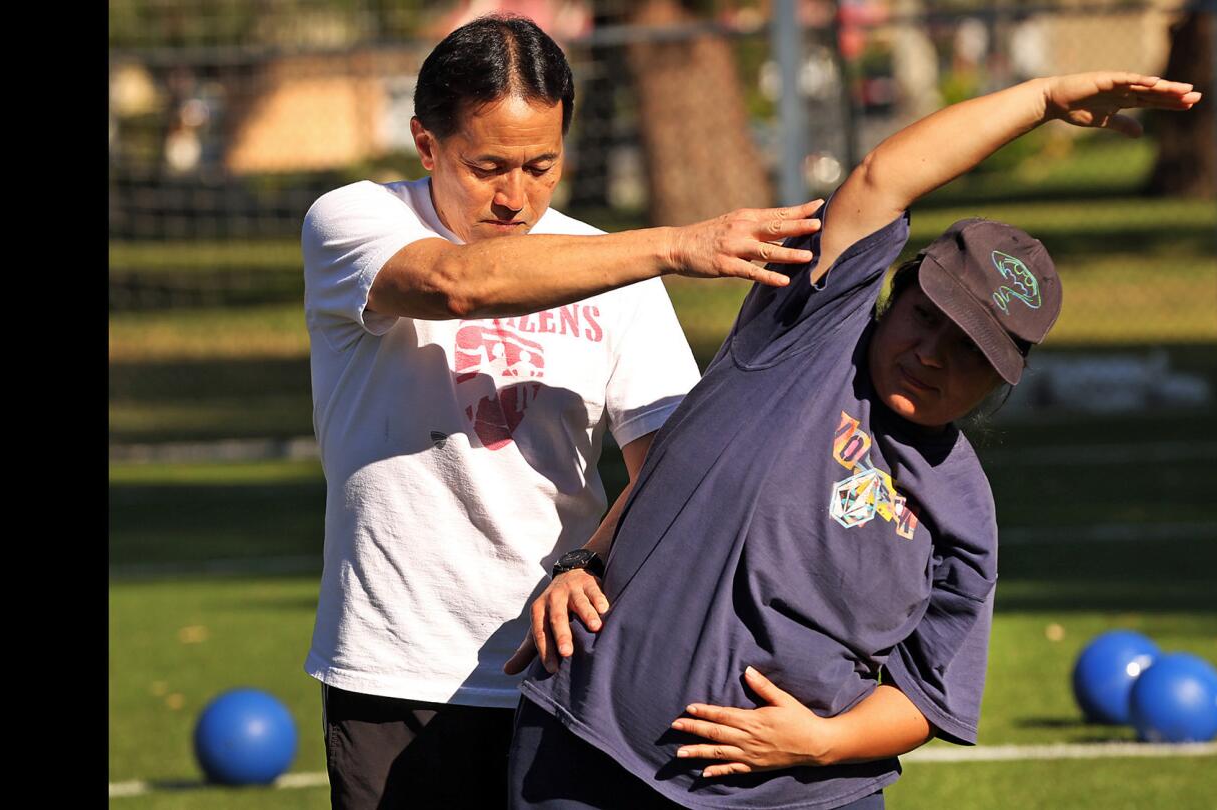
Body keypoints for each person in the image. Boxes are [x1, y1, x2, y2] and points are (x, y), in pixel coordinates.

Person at [507, 71, 1201, 809]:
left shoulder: (963, 511)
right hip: (595, 752)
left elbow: (927, 693)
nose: (933, 353)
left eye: (968, 350)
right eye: (927, 317)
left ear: (1000, 379)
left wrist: (821, 743)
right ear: (895, 296)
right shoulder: (805, 335)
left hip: (797, 796)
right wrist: (1041, 102)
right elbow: (883, 176)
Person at [300, 14, 826, 809]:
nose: (517, 196)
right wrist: (678, 246)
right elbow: (457, 283)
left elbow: (670, 472)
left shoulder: (612, 269)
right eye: (488, 167)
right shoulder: (353, 222)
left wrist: (589, 566)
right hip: (397, 672)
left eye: (541, 165)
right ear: (425, 143)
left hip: (564, 672)